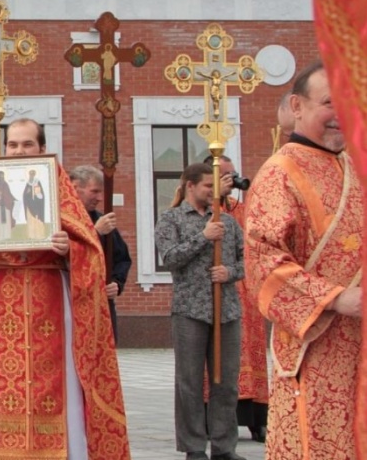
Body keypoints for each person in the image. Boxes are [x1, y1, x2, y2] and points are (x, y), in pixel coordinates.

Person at [0, 118, 129, 460]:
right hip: (2, 296)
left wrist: (68, 248)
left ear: (42, 149)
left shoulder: (60, 189)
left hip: (52, 298)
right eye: (13, 145)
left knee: (60, 384)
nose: (19, 151)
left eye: (27, 145)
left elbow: (90, 253)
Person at [245, 62, 362, 460]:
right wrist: (335, 298)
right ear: (297, 105)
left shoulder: (356, 168)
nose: (342, 116)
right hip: (317, 344)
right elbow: (264, 261)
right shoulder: (279, 173)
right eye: (331, 104)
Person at [155, 163, 247, 460]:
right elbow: (169, 258)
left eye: (215, 185)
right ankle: (194, 446)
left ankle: (224, 446)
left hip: (227, 311)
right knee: (190, 382)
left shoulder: (230, 223)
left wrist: (230, 272)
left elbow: (249, 261)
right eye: (208, 185)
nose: (213, 191)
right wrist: (203, 237)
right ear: (190, 186)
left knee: (226, 382)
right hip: (190, 310)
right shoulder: (171, 219)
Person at [205, 155, 268, 443]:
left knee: (253, 353)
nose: (231, 179)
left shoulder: (242, 210)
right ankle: (216, 420)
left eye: (233, 174)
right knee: (219, 356)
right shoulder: (204, 211)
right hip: (216, 292)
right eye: (224, 174)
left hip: (246, 292)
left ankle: (257, 418)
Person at [69, 165, 131, 342]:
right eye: (94, 191)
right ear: (74, 187)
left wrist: (116, 283)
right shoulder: (61, 219)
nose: (99, 198)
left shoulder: (101, 219)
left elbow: (122, 258)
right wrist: (94, 233)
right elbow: (66, 254)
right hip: (72, 301)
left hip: (101, 303)